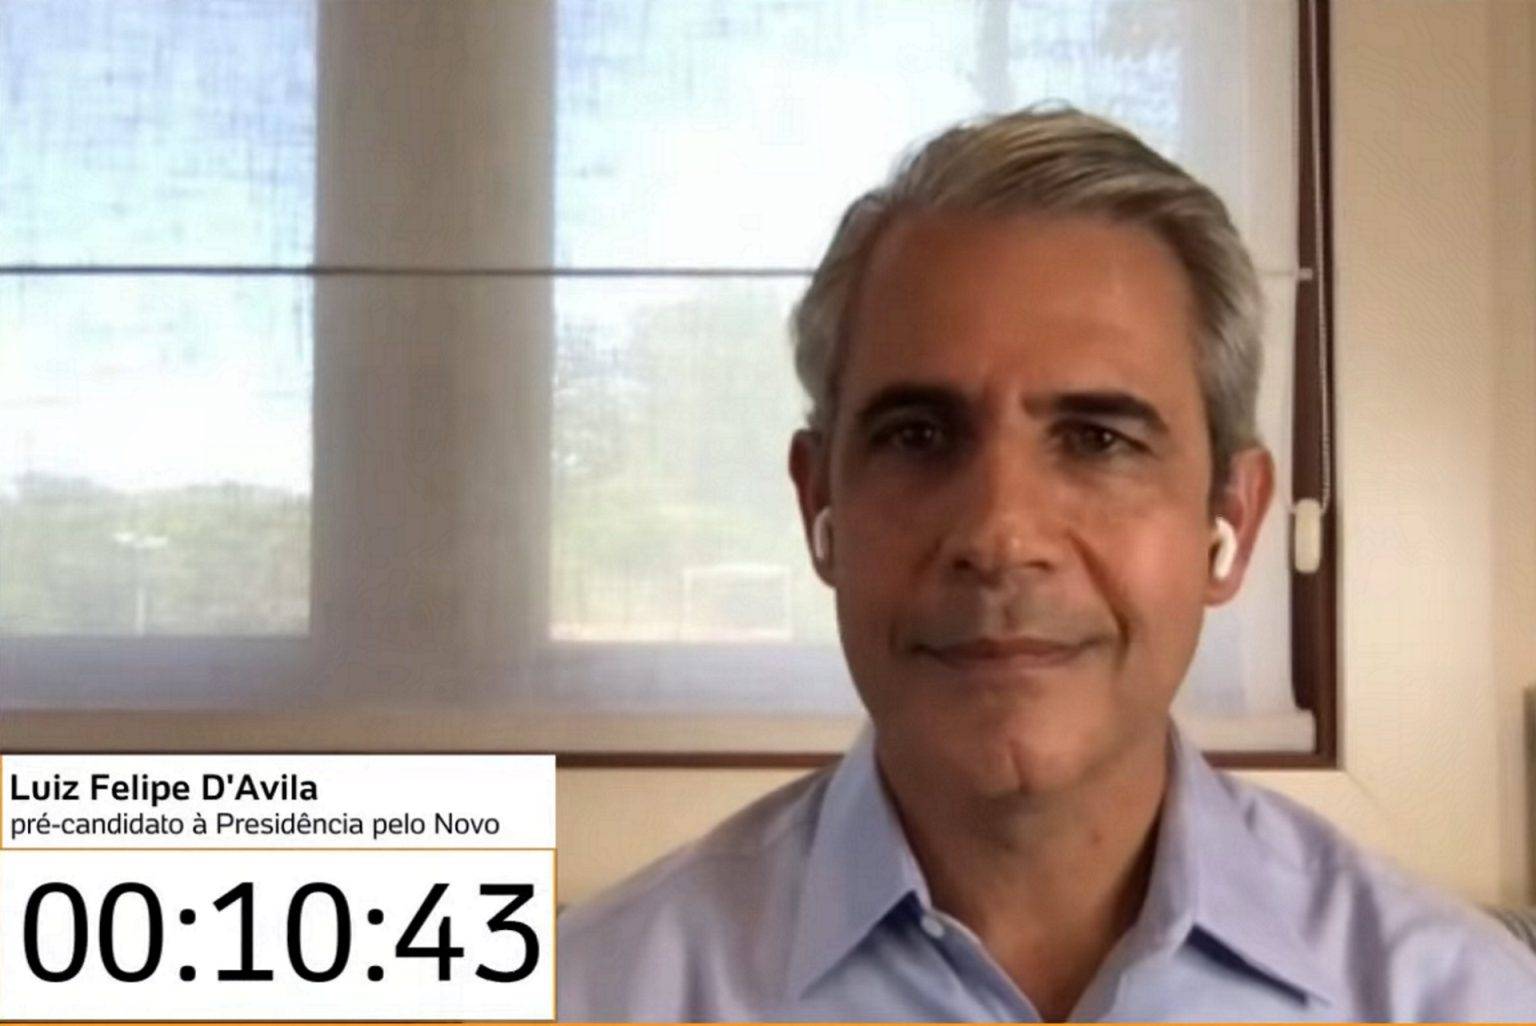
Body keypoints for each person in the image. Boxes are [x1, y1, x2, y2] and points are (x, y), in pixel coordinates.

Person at [557, 106, 1536, 1021]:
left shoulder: (1466, 997)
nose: (1000, 535)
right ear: (821, 507)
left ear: (1230, 522)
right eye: (917, 435)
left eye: (1099, 440)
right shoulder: (584, 989)